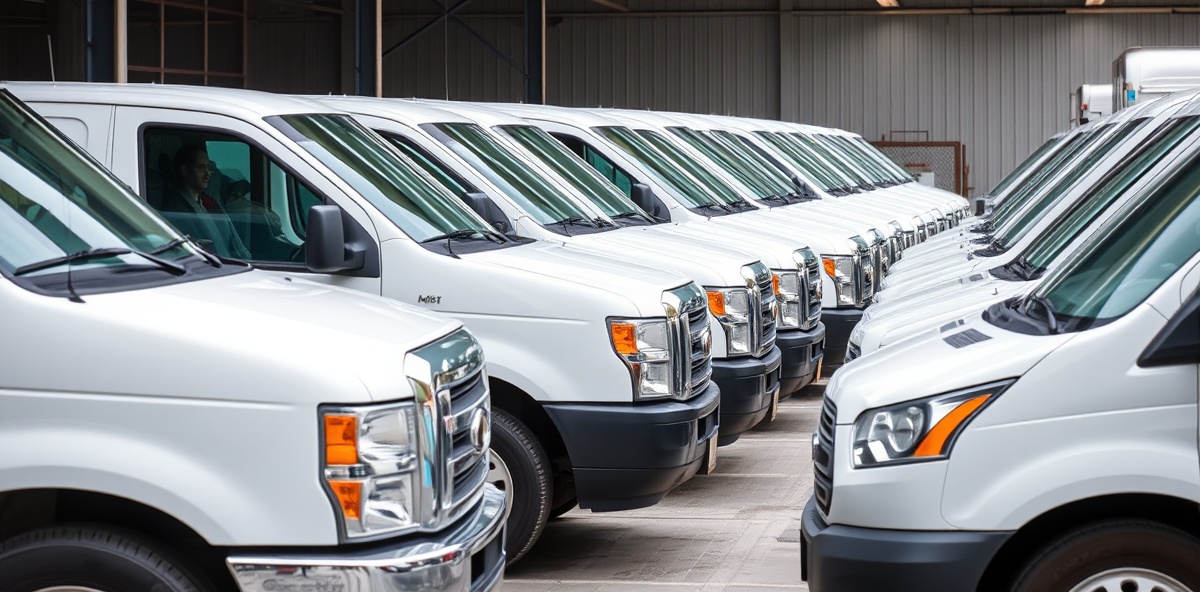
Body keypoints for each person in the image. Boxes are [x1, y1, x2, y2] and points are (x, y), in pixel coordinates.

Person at [161, 143, 251, 259]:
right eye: (201, 168)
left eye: (208, 167)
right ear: (185, 170)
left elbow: (235, 244)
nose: (208, 173)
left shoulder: (208, 203)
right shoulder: (177, 210)